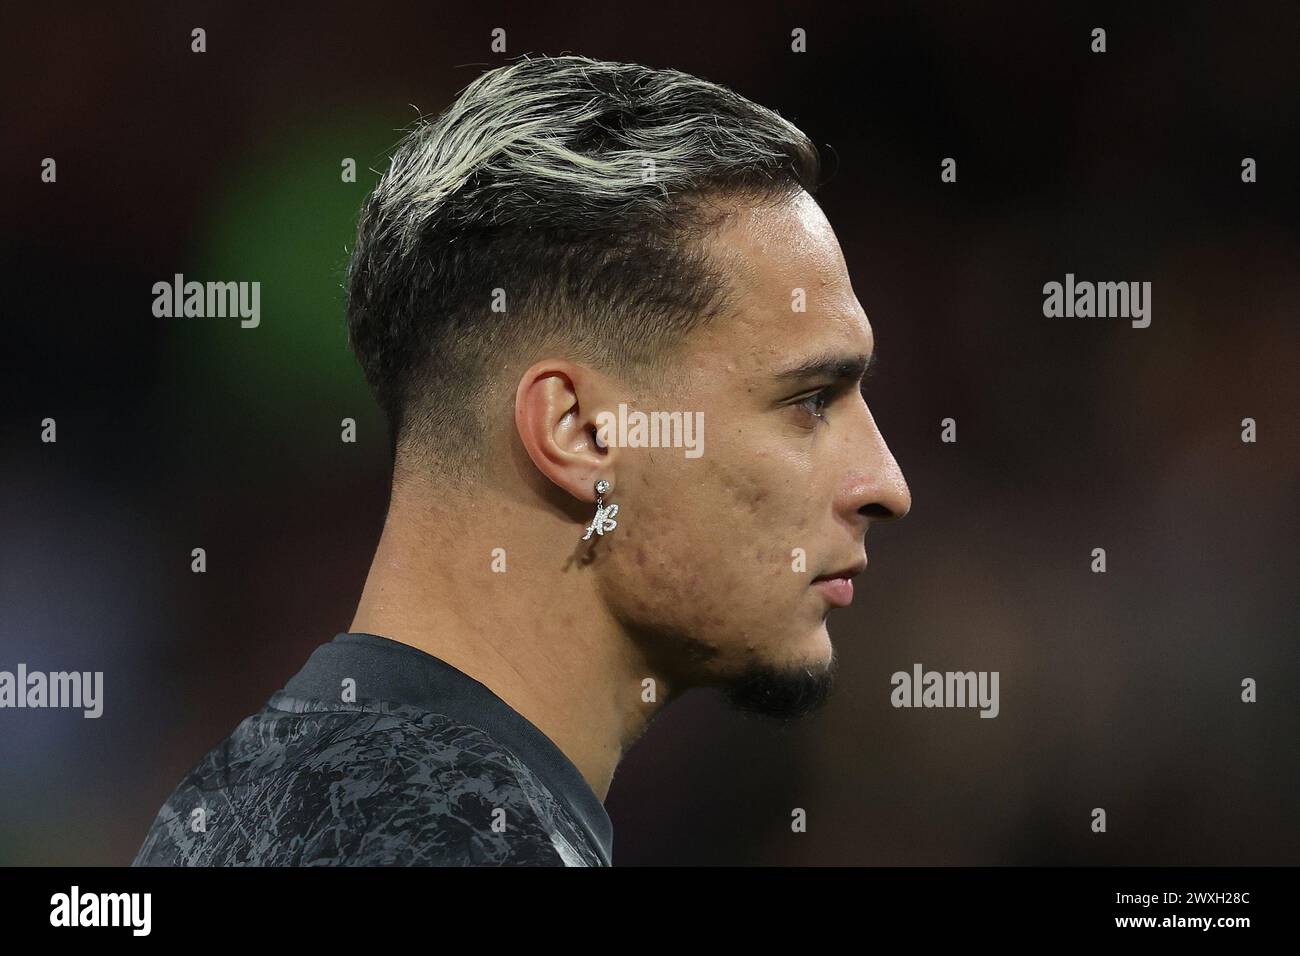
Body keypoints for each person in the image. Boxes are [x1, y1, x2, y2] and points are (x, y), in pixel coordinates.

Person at [133, 53, 911, 867]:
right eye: (811, 399)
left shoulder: (240, 799)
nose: (885, 485)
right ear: (578, 431)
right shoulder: (445, 842)